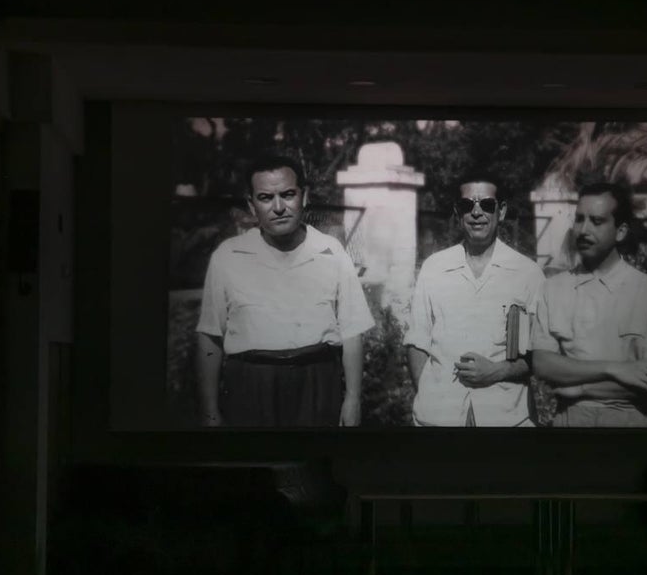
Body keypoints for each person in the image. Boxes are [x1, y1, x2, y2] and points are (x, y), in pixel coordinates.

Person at [195, 154, 374, 427]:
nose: (279, 207)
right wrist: (210, 412)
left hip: (317, 384)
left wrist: (352, 399)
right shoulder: (228, 256)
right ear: (251, 205)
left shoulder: (330, 251)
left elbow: (352, 332)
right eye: (266, 198)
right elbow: (210, 336)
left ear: (304, 197)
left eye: (288, 194)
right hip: (250, 386)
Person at [531, 181, 647, 427]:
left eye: (597, 221)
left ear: (620, 231)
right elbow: (542, 365)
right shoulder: (552, 289)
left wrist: (577, 388)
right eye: (579, 219)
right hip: (570, 422)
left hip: (633, 421)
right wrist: (616, 369)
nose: (583, 230)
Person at [404, 177, 545, 426]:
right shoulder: (434, 268)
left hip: (506, 418)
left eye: (487, 205)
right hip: (439, 416)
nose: (477, 212)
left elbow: (541, 353)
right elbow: (417, 341)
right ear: (458, 213)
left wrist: (497, 371)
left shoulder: (527, 274)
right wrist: (428, 395)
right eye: (468, 205)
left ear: (501, 211)